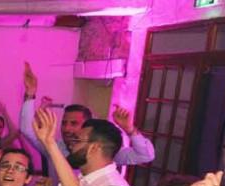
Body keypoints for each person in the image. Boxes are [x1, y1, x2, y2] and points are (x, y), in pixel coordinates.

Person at [17, 63, 155, 167]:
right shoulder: (54, 147)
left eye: (74, 124)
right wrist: (30, 93)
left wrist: (130, 130)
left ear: (88, 127)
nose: (67, 129)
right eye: (64, 123)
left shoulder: (102, 151)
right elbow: (27, 130)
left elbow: (145, 156)